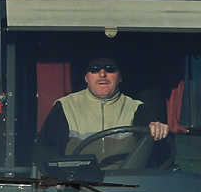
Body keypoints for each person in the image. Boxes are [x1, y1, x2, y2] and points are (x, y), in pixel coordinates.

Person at [34, 56, 169, 170]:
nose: (102, 74)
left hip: (125, 189)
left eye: (110, 69)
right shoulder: (65, 106)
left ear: (120, 77)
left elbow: (155, 150)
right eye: (95, 69)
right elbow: (46, 153)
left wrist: (157, 129)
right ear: (86, 77)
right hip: (78, 189)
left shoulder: (136, 108)